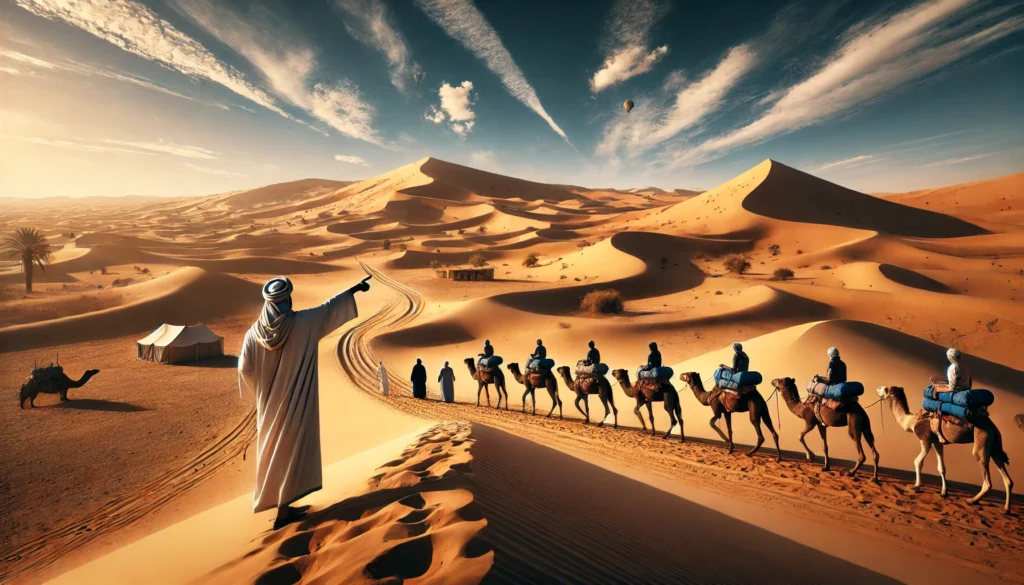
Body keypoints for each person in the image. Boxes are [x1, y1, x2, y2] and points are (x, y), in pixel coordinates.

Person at [239, 274, 370, 529]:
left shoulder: (252, 334)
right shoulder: (303, 323)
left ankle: (284, 510)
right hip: (296, 404)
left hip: (270, 407)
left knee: (275, 454)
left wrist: (261, 391)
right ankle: (282, 513)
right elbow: (329, 309)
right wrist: (353, 289)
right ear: (287, 298)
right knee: (291, 452)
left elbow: (245, 369)